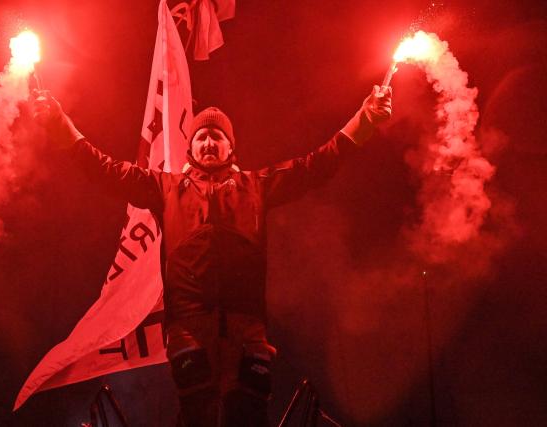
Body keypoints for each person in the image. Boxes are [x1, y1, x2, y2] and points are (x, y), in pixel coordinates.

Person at [32, 85, 392, 427]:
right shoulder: (166, 188)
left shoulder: (257, 186)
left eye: (216, 137)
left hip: (247, 328)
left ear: (230, 147)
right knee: (198, 413)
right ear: (190, 146)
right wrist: (59, 125)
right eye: (201, 137)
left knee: (248, 413)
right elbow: (106, 170)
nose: (208, 142)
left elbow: (315, 166)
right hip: (189, 328)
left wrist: (365, 119)